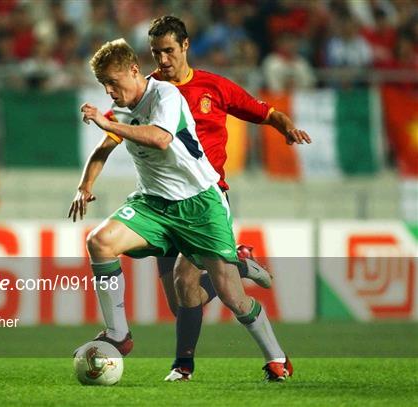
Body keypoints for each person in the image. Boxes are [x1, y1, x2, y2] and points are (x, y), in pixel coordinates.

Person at [69, 38, 290, 382]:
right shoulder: (121, 109)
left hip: (200, 203)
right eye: (103, 85)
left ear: (133, 70)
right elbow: (102, 150)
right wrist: (85, 187)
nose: (110, 91)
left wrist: (107, 123)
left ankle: (277, 358)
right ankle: (118, 335)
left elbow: (159, 138)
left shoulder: (165, 95)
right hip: (154, 204)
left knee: (232, 297)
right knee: (100, 242)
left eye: (114, 82)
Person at [147, 16, 312, 381]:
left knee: (195, 282)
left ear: (186, 46)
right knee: (182, 299)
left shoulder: (214, 87)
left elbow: (266, 112)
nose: (162, 60)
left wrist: (287, 129)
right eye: (156, 53)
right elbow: (120, 117)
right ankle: (239, 265)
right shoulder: (149, 89)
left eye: (169, 51)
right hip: (162, 202)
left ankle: (184, 367)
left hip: (203, 199)